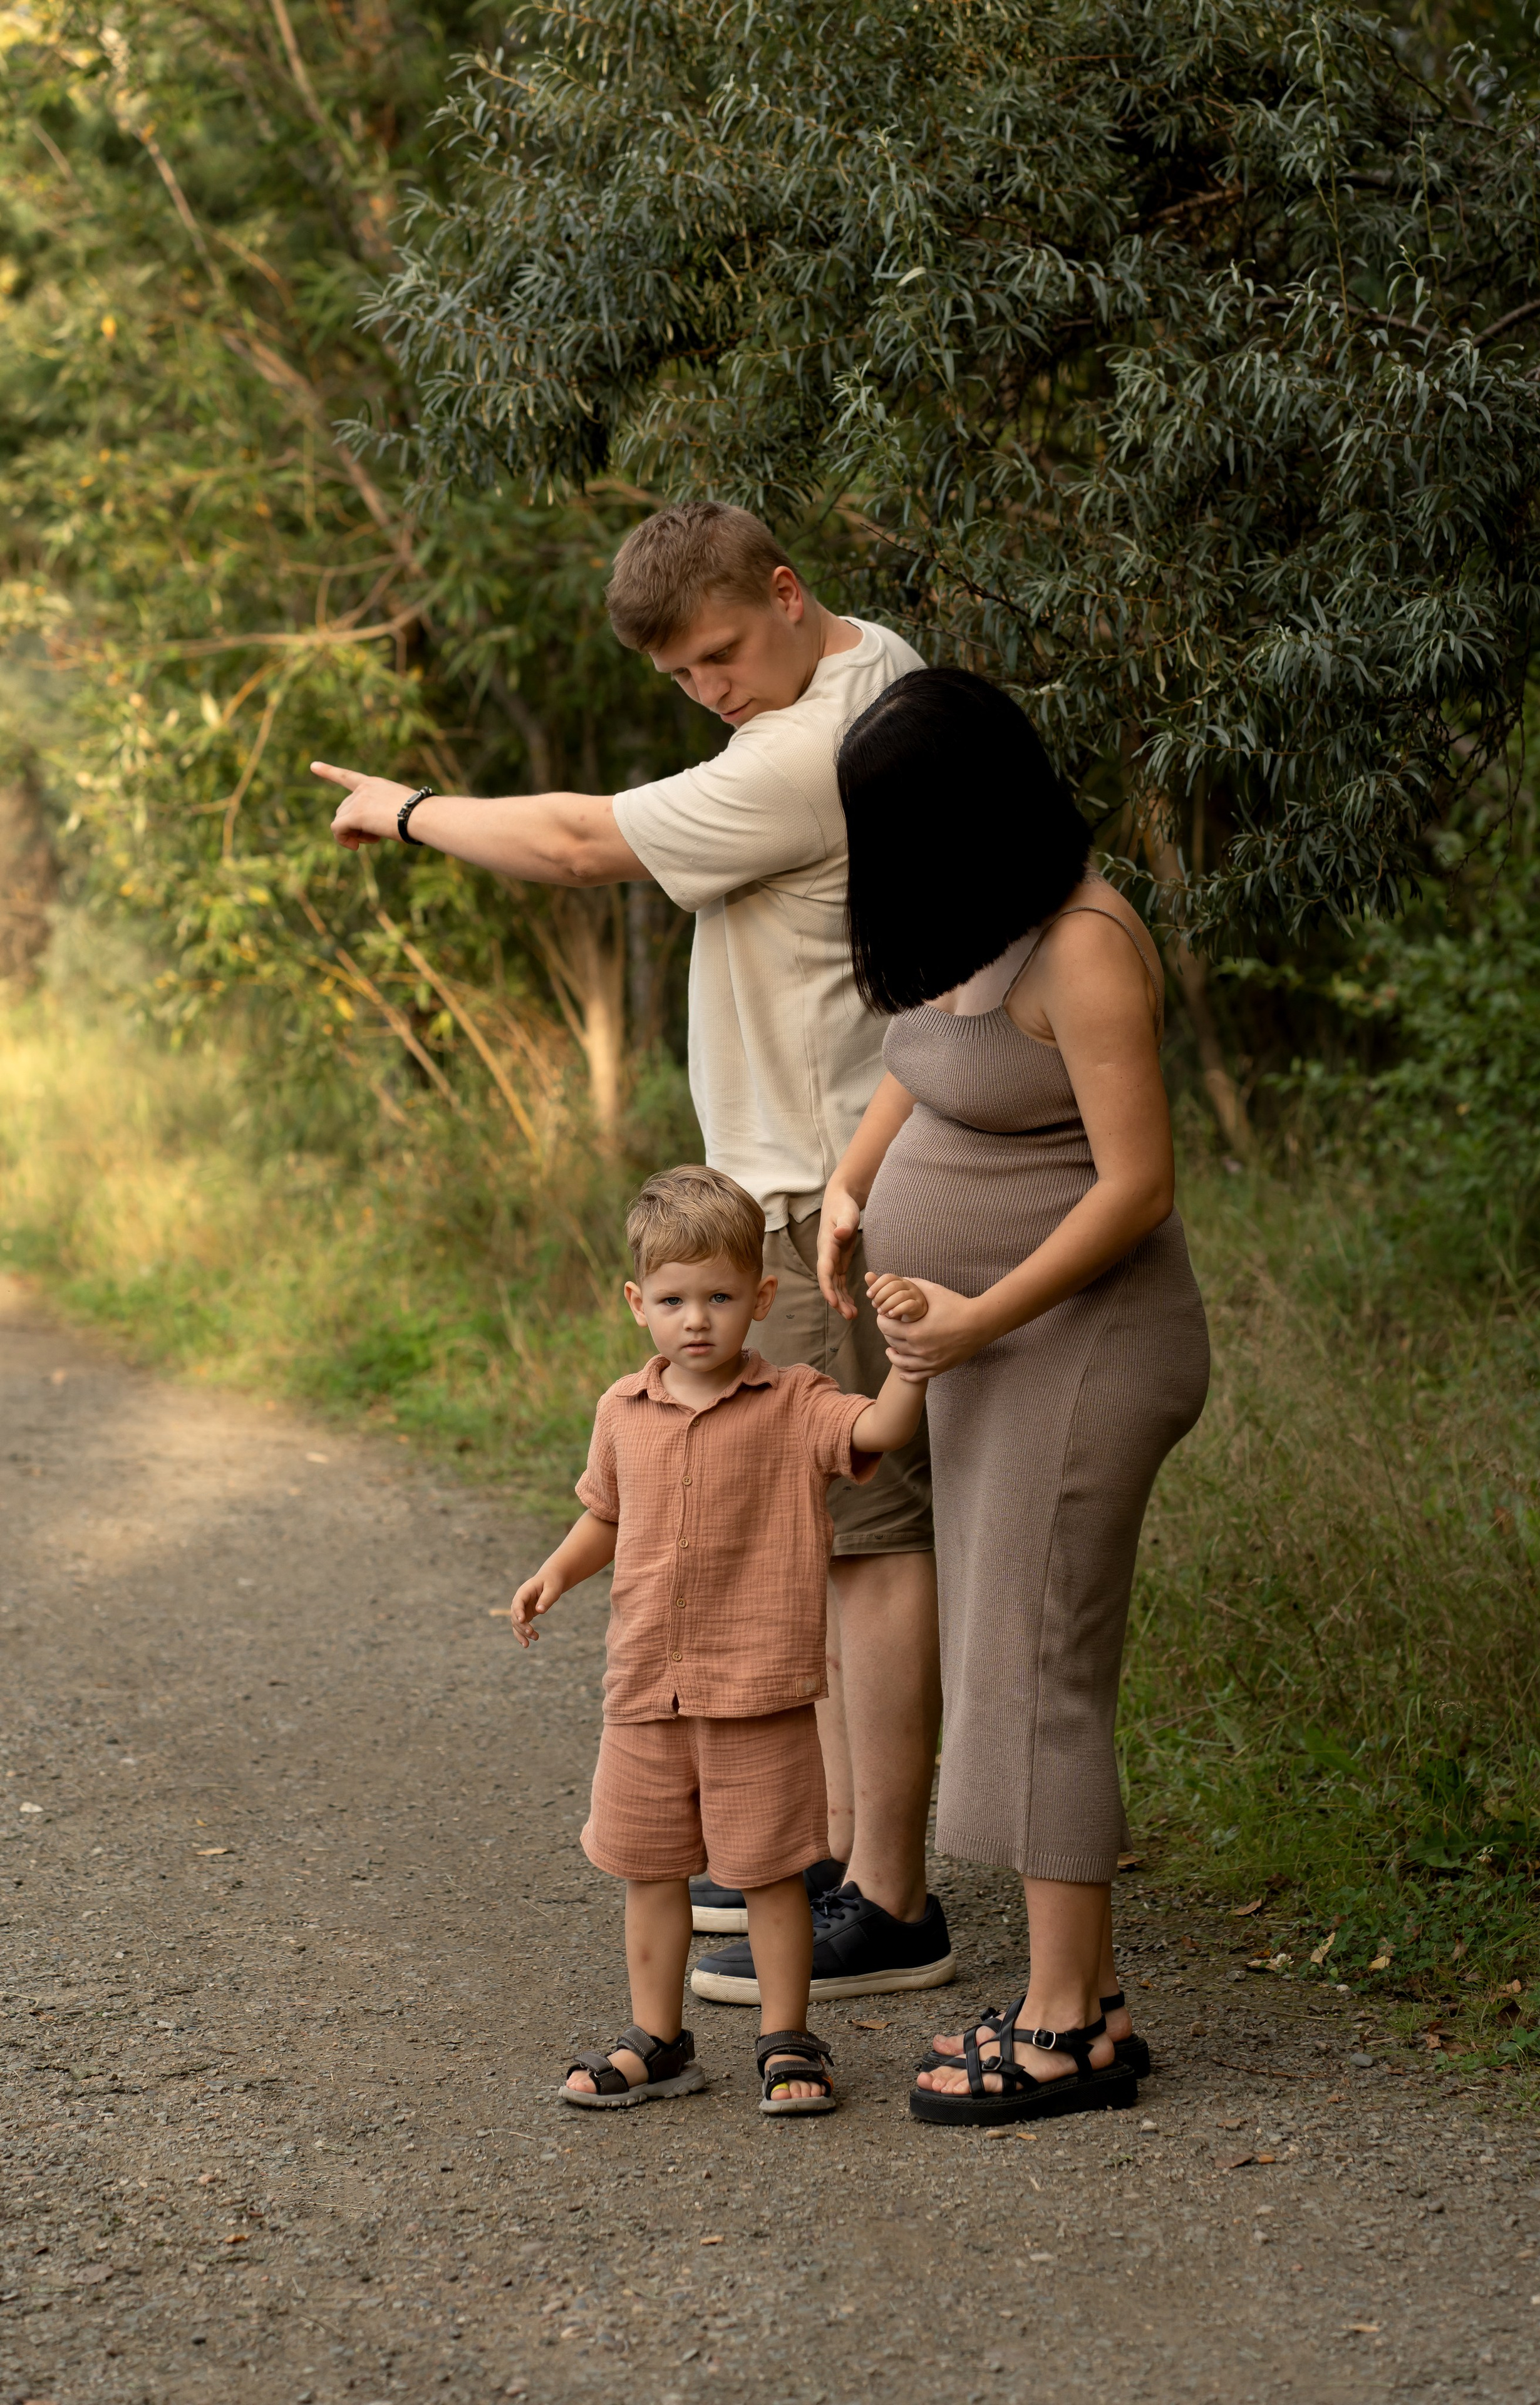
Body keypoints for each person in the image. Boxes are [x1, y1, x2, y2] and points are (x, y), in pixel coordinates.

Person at [316, 502, 953, 2002]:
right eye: (683, 679)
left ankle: (891, 1901)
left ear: (787, 598)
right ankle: (826, 1855)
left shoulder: (809, 755)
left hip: (815, 1191)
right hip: (806, 1171)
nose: (713, 691)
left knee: (865, 1546)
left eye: (723, 655)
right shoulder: (876, 671)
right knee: (841, 1544)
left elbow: (577, 840)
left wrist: (407, 810)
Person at [817, 667, 1211, 2126]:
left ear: (971, 814)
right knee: (1006, 1647)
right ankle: (1083, 2000)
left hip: (1083, 1346)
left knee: (1040, 1665)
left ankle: (1064, 2031)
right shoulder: (976, 924)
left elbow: (1136, 1185)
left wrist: (979, 1314)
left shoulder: (1085, 945)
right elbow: (918, 1063)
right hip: (984, 1352)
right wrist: (853, 1186)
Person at [510, 1164, 927, 2113]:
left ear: (762, 1298)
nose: (696, 1319)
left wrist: (910, 1355)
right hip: (647, 1689)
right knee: (649, 1868)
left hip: (759, 1692)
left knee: (771, 1873)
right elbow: (605, 1519)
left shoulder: (797, 1403)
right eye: (672, 1300)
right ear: (637, 1304)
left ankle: (787, 2040)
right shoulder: (623, 1412)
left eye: (720, 1297)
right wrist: (557, 1573)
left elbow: (884, 1429)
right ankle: (655, 2041)